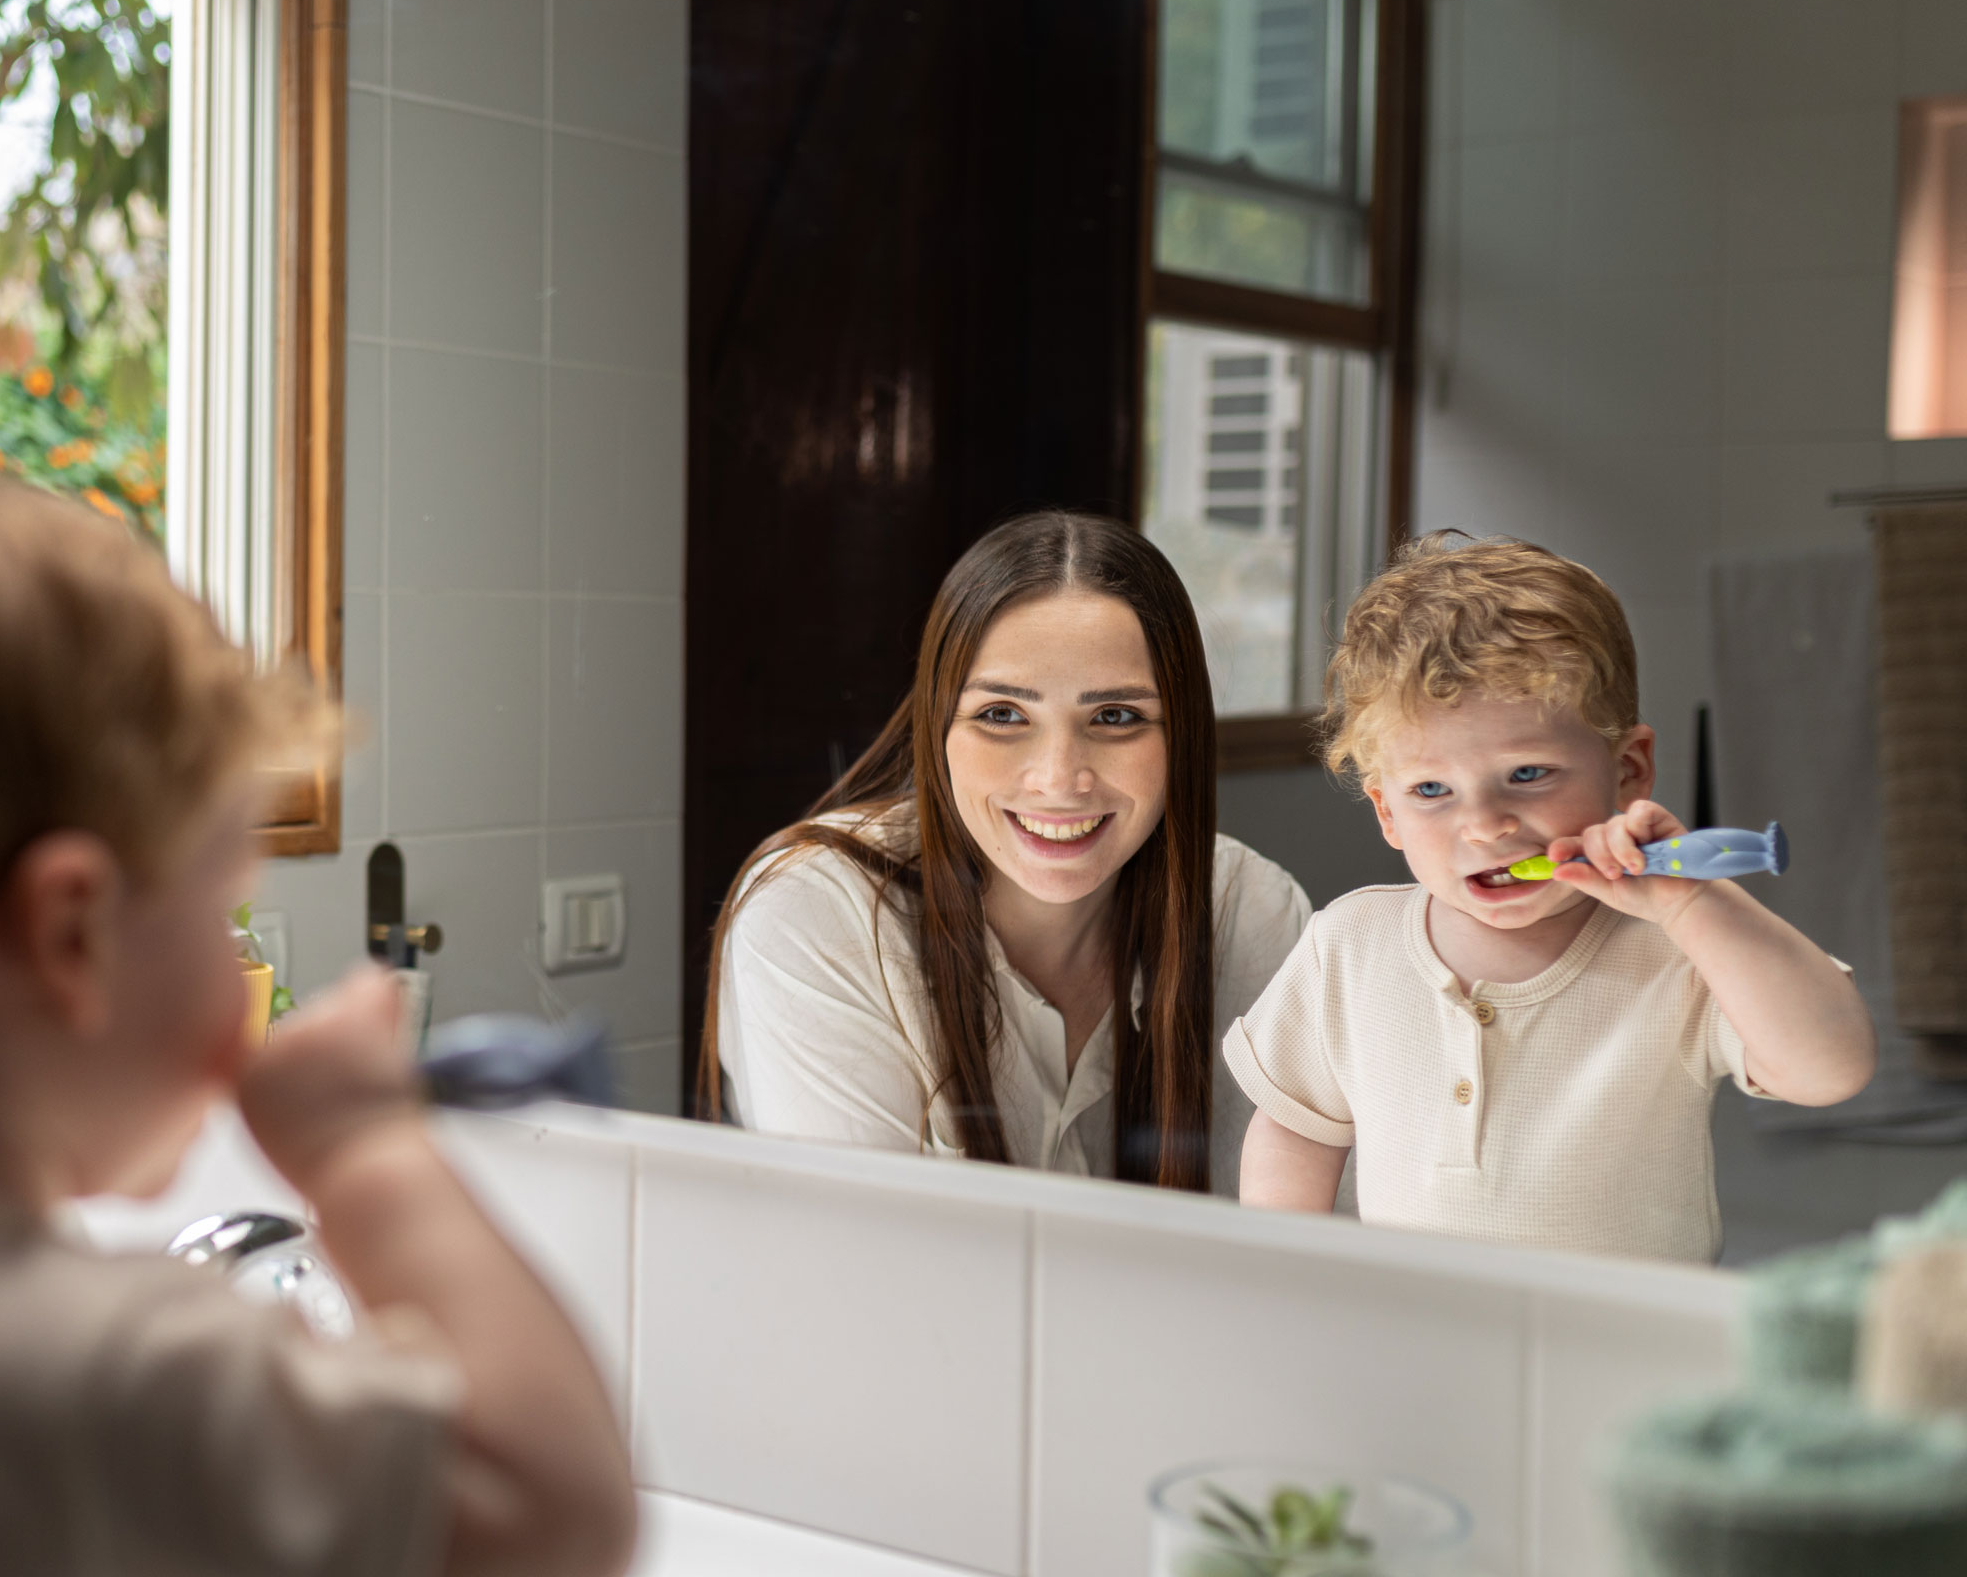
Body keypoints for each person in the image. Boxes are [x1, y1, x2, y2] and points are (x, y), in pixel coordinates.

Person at [0, 473, 637, 1577]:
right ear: (72, 930)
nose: (240, 960)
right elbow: (559, 1510)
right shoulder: (114, 1371)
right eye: (220, 908)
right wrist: (366, 1158)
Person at [1227, 533, 1876, 1261]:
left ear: (1629, 771)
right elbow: (1296, 1132)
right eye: (1431, 791)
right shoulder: (1348, 944)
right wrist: (1285, 1277)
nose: (1483, 826)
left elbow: (1832, 1070)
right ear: (1387, 813)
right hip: (1419, 1336)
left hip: (1623, 1342)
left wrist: (1694, 908)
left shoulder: (1679, 950)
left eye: (1528, 773)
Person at [701, 511, 1310, 1196]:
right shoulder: (817, 913)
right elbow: (864, 1262)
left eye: (1115, 716)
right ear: (939, 729)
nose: (1058, 778)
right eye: (1002, 715)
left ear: (1184, 736)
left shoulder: (1252, 911)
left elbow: (1300, 1243)